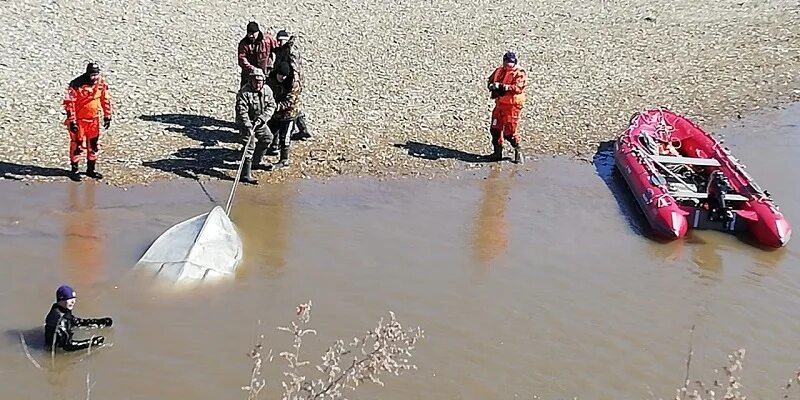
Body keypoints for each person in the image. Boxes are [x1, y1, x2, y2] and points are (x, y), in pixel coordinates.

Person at [63, 62, 112, 181]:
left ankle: (91, 170)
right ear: (87, 74)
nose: (95, 77)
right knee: (77, 145)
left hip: (93, 120)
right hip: (79, 121)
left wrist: (107, 115)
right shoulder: (76, 84)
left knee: (93, 145)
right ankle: (75, 169)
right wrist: (72, 121)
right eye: (92, 75)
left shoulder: (100, 83)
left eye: (96, 74)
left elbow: (105, 99)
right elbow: (69, 104)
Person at [236, 68, 277, 184]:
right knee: (249, 145)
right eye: (256, 81)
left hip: (260, 122)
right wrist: (248, 127)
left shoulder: (267, 90)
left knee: (268, 138)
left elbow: (271, 106)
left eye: (260, 81)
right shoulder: (244, 93)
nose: (258, 84)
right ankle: (245, 174)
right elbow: (242, 113)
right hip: (246, 124)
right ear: (251, 80)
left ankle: (257, 161)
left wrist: (263, 118)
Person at [486, 51, 527, 164]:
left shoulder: (519, 73)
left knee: (509, 132)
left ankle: (518, 150)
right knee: (495, 129)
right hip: (500, 104)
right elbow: (490, 80)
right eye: (507, 62)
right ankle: (497, 153)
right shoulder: (499, 70)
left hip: (512, 106)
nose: (509, 65)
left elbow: (518, 88)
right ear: (504, 61)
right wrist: (491, 86)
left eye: (511, 63)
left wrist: (503, 87)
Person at [44, 285, 113, 352]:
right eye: (69, 299)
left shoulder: (61, 308)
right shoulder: (60, 322)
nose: (73, 301)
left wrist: (97, 322)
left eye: (73, 298)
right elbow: (68, 346)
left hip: (64, 333)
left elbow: (73, 320)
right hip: (58, 347)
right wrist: (92, 342)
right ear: (61, 300)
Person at [273, 30, 312, 141]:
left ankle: (301, 130)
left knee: (292, 105)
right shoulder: (284, 49)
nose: (279, 43)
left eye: (281, 40)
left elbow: (295, 69)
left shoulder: (291, 51)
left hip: (292, 82)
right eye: (278, 40)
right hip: (290, 81)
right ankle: (303, 130)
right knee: (295, 105)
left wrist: (293, 83)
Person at [265, 62, 302, 169]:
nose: (282, 78)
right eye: (280, 75)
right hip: (275, 113)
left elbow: (289, 102)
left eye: (285, 76)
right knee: (271, 132)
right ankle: (272, 148)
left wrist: (274, 106)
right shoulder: (270, 80)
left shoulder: (293, 84)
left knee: (285, 137)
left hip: (290, 113)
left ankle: (284, 160)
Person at [238, 21, 279, 88]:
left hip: (266, 72)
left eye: (253, 33)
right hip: (249, 74)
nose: (251, 36)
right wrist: (252, 68)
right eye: (249, 33)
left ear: (258, 32)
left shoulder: (267, 40)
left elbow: (277, 50)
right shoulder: (244, 44)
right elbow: (242, 59)